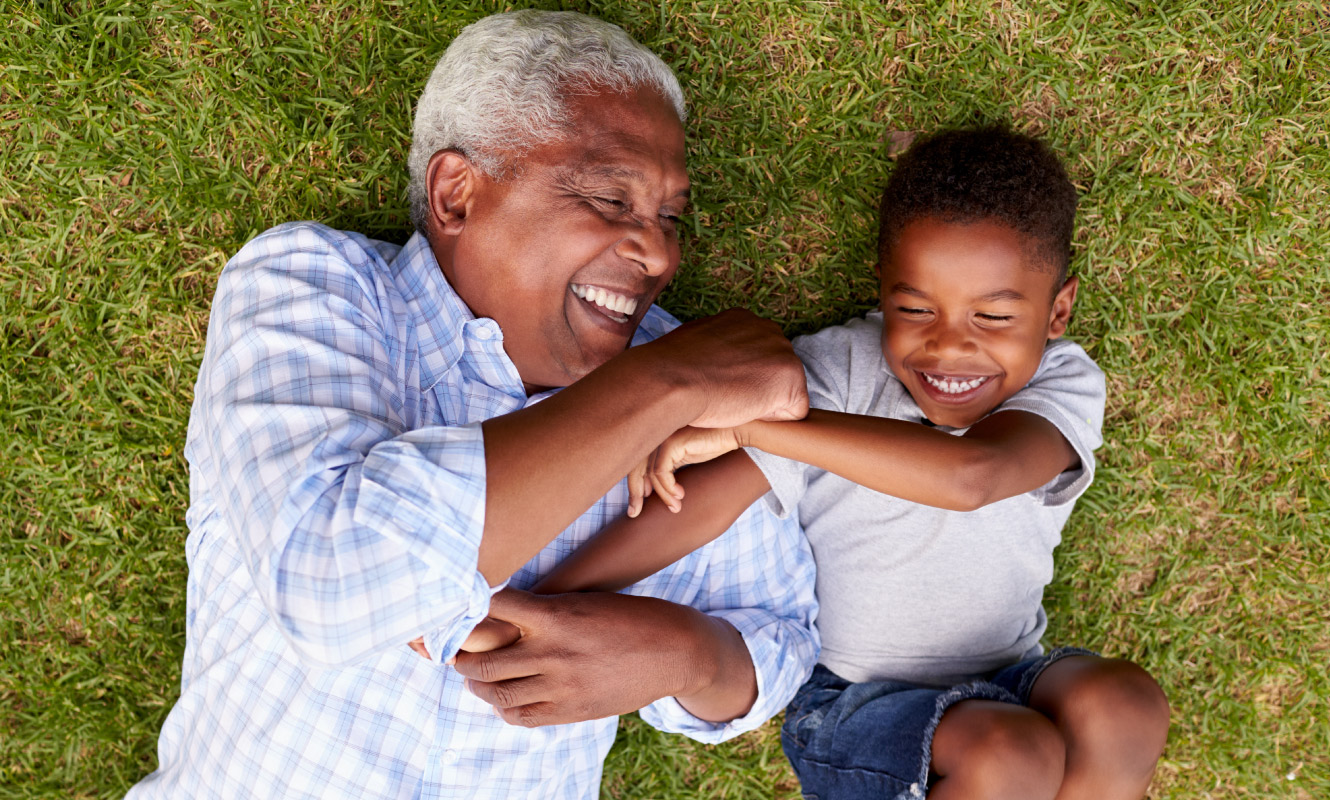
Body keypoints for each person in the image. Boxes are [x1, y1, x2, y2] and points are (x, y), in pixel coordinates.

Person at [127, 10, 819, 799]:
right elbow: (333, 585)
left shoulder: (686, 378)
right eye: (609, 199)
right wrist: (665, 384)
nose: (660, 253)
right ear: (456, 194)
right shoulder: (310, 285)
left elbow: (778, 639)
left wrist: (682, 654)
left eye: (668, 216)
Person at [519, 127, 1171, 800]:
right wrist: (544, 601)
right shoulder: (839, 371)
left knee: (1126, 705)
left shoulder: (1061, 384)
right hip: (855, 704)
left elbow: (974, 475)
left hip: (1014, 672)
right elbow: (705, 505)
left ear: (1057, 309)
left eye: (995, 317)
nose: (950, 347)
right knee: (1012, 754)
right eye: (914, 309)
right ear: (883, 292)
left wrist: (757, 426)